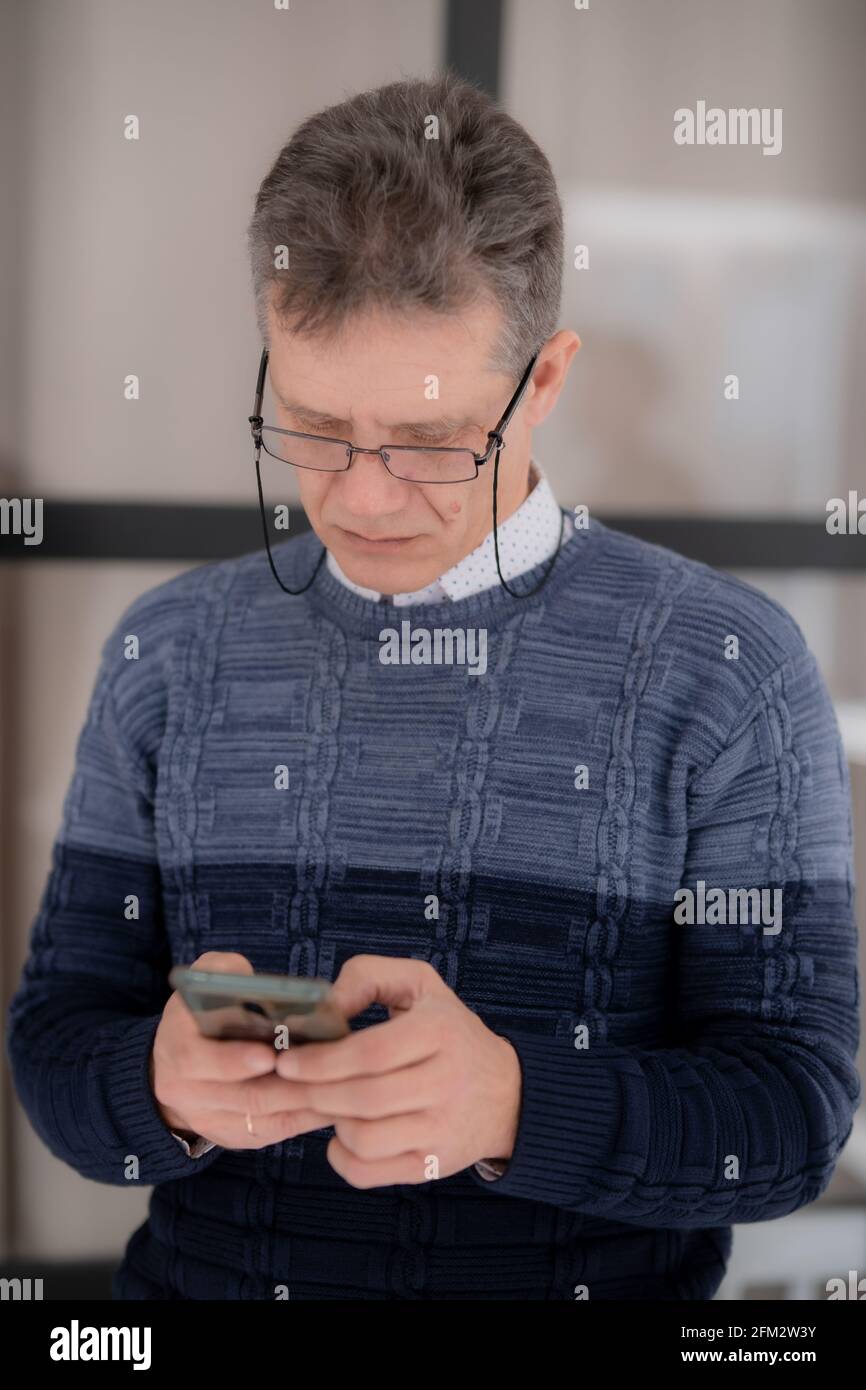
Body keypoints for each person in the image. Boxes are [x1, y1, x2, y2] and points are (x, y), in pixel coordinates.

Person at [7, 72, 860, 1301]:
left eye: (426, 442)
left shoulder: (726, 668)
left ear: (545, 382)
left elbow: (789, 1112)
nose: (359, 497)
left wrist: (516, 1103)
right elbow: (55, 1041)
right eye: (309, 424)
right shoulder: (168, 651)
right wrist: (158, 1082)